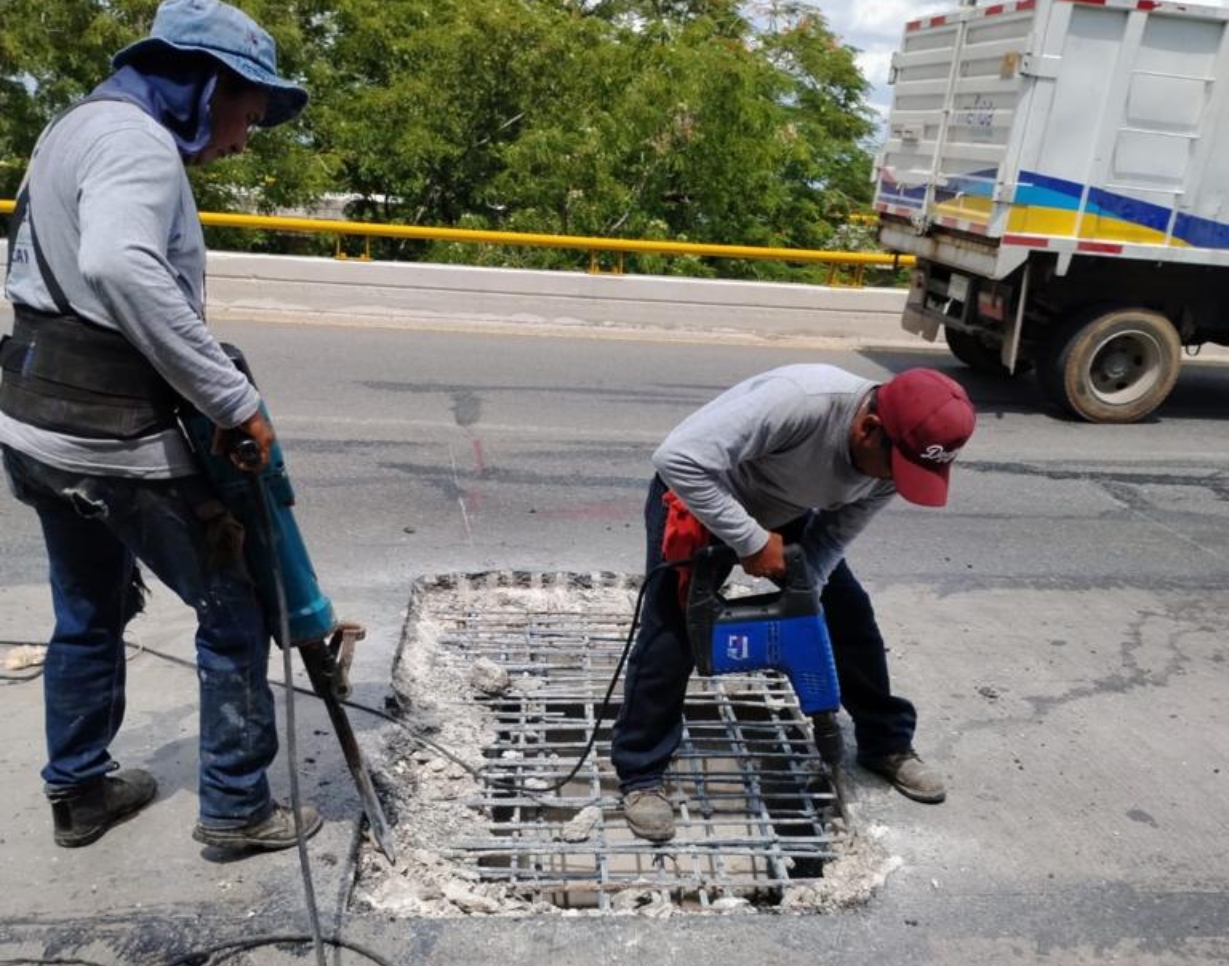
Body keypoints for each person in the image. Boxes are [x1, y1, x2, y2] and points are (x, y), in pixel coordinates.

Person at [0, 0, 315, 851]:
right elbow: (116, 263)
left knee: (89, 611)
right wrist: (230, 401)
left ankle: (79, 793)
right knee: (236, 610)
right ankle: (238, 807)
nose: (244, 140)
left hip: (36, 427)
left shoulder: (76, 126)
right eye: (246, 114)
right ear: (208, 85)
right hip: (114, 441)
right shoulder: (137, 143)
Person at [611, 364, 977, 842]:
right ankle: (642, 775)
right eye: (897, 468)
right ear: (868, 429)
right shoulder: (799, 402)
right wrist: (750, 541)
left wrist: (807, 595)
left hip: (785, 513)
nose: (897, 482)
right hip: (704, 494)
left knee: (848, 616)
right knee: (672, 631)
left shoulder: (900, 461)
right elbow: (677, 458)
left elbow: (835, 534)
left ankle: (886, 743)